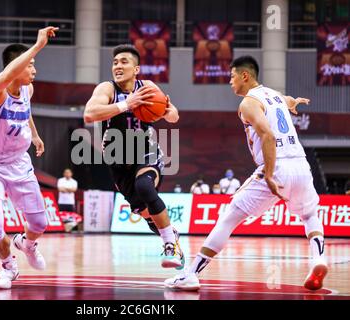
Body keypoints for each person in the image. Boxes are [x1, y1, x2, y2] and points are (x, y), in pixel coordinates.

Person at [165, 55, 327, 291]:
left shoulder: (248, 103)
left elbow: (268, 135)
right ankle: (319, 259)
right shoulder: (273, 95)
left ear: (245, 75)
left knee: (229, 217)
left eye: (232, 76)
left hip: (277, 165)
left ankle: (191, 274)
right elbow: (285, 100)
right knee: (310, 214)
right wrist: (292, 103)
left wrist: (270, 174)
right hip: (301, 165)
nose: (230, 82)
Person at [0, 26, 59, 289]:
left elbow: (26, 113)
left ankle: (26, 243)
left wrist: (36, 135)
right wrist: (38, 44)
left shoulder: (27, 91)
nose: (34, 70)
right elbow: (6, 75)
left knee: (40, 223)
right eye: (30, 65)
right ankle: (9, 267)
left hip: (18, 163)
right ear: (16, 67)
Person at [84, 44, 184, 269]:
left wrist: (166, 110)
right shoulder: (107, 89)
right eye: (115, 62)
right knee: (146, 213)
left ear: (136, 68)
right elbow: (90, 114)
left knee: (145, 187)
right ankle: (171, 235)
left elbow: (174, 116)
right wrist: (126, 104)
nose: (118, 66)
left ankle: (170, 245)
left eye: (124, 62)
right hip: (117, 156)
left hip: (144, 148)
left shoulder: (147, 87)